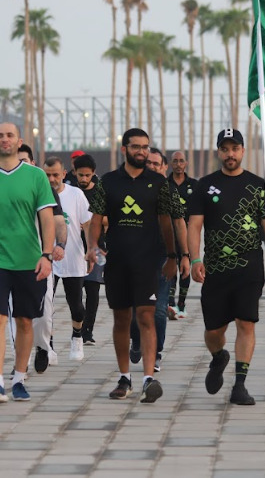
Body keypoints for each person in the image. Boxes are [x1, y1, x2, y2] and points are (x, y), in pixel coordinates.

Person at [86, 128, 185, 403]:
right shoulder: (108, 181)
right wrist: (92, 247)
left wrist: (173, 256)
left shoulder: (158, 182)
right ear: (124, 149)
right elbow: (96, 219)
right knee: (121, 319)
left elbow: (167, 221)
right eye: (136, 147)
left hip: (148, 261)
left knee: (146, 317)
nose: (141, 151)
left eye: (145, 147)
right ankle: (125, 377)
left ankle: (148, 378)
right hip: (117, 262)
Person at [188, 129, 265, 405]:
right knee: (214, 331)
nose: (230, 154)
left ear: (243, 151)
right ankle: (219, 357)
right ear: (219, 152)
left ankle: (240, 384)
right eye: (225, 148)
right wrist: (195, 258)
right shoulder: (204, 185)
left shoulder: (258, 186)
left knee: (246, 323)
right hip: (215, 268)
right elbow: (194, 226)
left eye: (235, 148)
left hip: (249, 267)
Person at [0, 124, 56, 403]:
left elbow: (47, 218)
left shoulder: (36, 176)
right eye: (0, 135)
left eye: (10, 135)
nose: (5, 139)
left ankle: (19, 377)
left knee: (25, 322)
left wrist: (47, 255)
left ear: (19, 141)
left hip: (29, 261)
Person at [129, 148, 187, 373]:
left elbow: (180, 223)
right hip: (135, 258)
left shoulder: (170, 192)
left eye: (157, 164)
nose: (153, 167)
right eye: (149, 164)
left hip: (164, 258)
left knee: (160, 309)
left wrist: (185, 256)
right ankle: (136, 340)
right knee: (136, 310)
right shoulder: (132, 189)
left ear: (165, 167)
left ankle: (156, 353)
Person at [17, 144, 66, 374]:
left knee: (43, 313)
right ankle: (20, 363)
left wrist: (60, 245)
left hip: (40, 259)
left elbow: (57, 221)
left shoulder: (43, 187)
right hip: (10, 261)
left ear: (33, 163)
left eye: (25, 160)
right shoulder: (2, 186)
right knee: (15, 315)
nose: (21, 165)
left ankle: (43, 347)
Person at [44, 156, 91, 361]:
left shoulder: (76, 194)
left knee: (77, 306)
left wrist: (90, 250)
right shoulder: (39, 195)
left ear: (64, 174)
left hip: (73, 257)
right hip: (46, 260)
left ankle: (77, 337)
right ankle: (49, 346)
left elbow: (87, 225)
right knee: (46, 305)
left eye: (55, 174)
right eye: (47, 175)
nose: (52, 179)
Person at [73, 154, 103, 345]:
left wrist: (92, 222)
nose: (84, 179)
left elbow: (107, 218)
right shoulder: (72, 193)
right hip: (74, 248)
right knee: (75, 293)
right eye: (80, 175)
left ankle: (88, 331)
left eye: (87, 175)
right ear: (74, 173)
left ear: (93, 174)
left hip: (98, 247)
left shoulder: (101, 193)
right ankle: (77, 326)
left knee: (93, 291)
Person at [167, 151, 197, 319]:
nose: (178, 164)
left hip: (188, 233)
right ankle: (170, 303)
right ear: (171, 164)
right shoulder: (165, 184)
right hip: (169, 233)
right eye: (175, 161)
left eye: (181, 161)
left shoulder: (194, 185)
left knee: (185, 268)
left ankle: (182, 304)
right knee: (171, 267)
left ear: (186, 164)